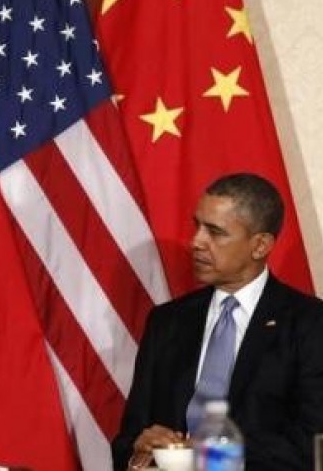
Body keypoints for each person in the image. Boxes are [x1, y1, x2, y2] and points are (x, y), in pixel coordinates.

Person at [112, 173, 323, 470]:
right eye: (197, 226)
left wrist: (205, 454)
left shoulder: (310, 324)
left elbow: (312, 443)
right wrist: (140, 452)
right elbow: (129, 436)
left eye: (215, 232)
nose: (196, 242)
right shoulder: (167, 320)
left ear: (260, 245)